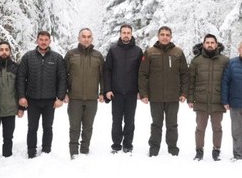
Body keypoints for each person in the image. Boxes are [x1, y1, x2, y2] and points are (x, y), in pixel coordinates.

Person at [138, 26, 189, 156]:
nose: (165, 37)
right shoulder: (150, 52)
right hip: (155, 96)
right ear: (158, 36)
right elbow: (143, 74)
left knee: (172, 125)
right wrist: (143, 93)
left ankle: (173, 149)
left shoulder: (178, 52)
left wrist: (184, 93)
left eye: (167, 35)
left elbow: (184, 74)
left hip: (173, 96)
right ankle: (154, 149)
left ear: (171, 37)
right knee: (156, 124)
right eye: (162, 34)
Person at [16, 30, 66, 158]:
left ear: (50, 41)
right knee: (32, 127)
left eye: (46, 40)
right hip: (32, 99)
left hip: (50, 100)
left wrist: (60, 97)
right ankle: (31, 151)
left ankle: (46, 151)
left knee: (48, 127)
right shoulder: (28, 57)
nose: (43, 42)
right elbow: (21, 77)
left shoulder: (57, 58)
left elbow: (62, 78)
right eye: (41, 40)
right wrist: (22, 96)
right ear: (37, 40)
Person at [188, 34, 230, 161]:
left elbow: (228, 81)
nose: (210, 44)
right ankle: (199, 151)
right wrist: (190, 99)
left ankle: (216, 150)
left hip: (218, 100)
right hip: (201, 99)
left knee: (217, 127)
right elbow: (191, 81)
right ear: (204, 44)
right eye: (207, 42)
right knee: (200, 127)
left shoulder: (225, 60)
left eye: (212, 42)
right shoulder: (196, 60)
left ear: (216, 44)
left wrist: (227, 99)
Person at [64, 28, 105, 158]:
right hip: (74, 98)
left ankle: (85, 150)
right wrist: (64, 93)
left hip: (92, 98)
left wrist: (102, 92)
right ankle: (74, 152)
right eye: (83, 36)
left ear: (92, 39)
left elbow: (103, 76)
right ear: (79, 38)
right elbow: (63, 75)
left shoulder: (98, 55)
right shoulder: (71, 54)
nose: (86, 39)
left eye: (89, 36)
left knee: (88, 127)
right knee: (74, 127)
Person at [104, 24, 142, 154]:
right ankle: (116, 144)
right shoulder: (113, 50)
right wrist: (107, 89)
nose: (126, 35)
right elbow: (107, 71)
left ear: (131, 34)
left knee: (130, 120)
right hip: (116, 92)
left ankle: (128, 144)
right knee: (116, 120)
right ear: (120, 34)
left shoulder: (138, 51)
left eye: (128, 33)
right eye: (124, 33)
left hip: (132, 93)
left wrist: (140, 91)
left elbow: (141, 73)